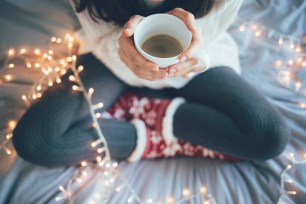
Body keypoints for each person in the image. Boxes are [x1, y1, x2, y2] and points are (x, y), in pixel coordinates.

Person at [12, 0, 290, 167]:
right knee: (35, 141)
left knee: (268, 136)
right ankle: (160, 127)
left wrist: (191, 51)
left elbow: (212, 32)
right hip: (109, 57)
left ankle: (161, 119)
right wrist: (123, 51)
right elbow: (96, 33)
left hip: (193, 61)